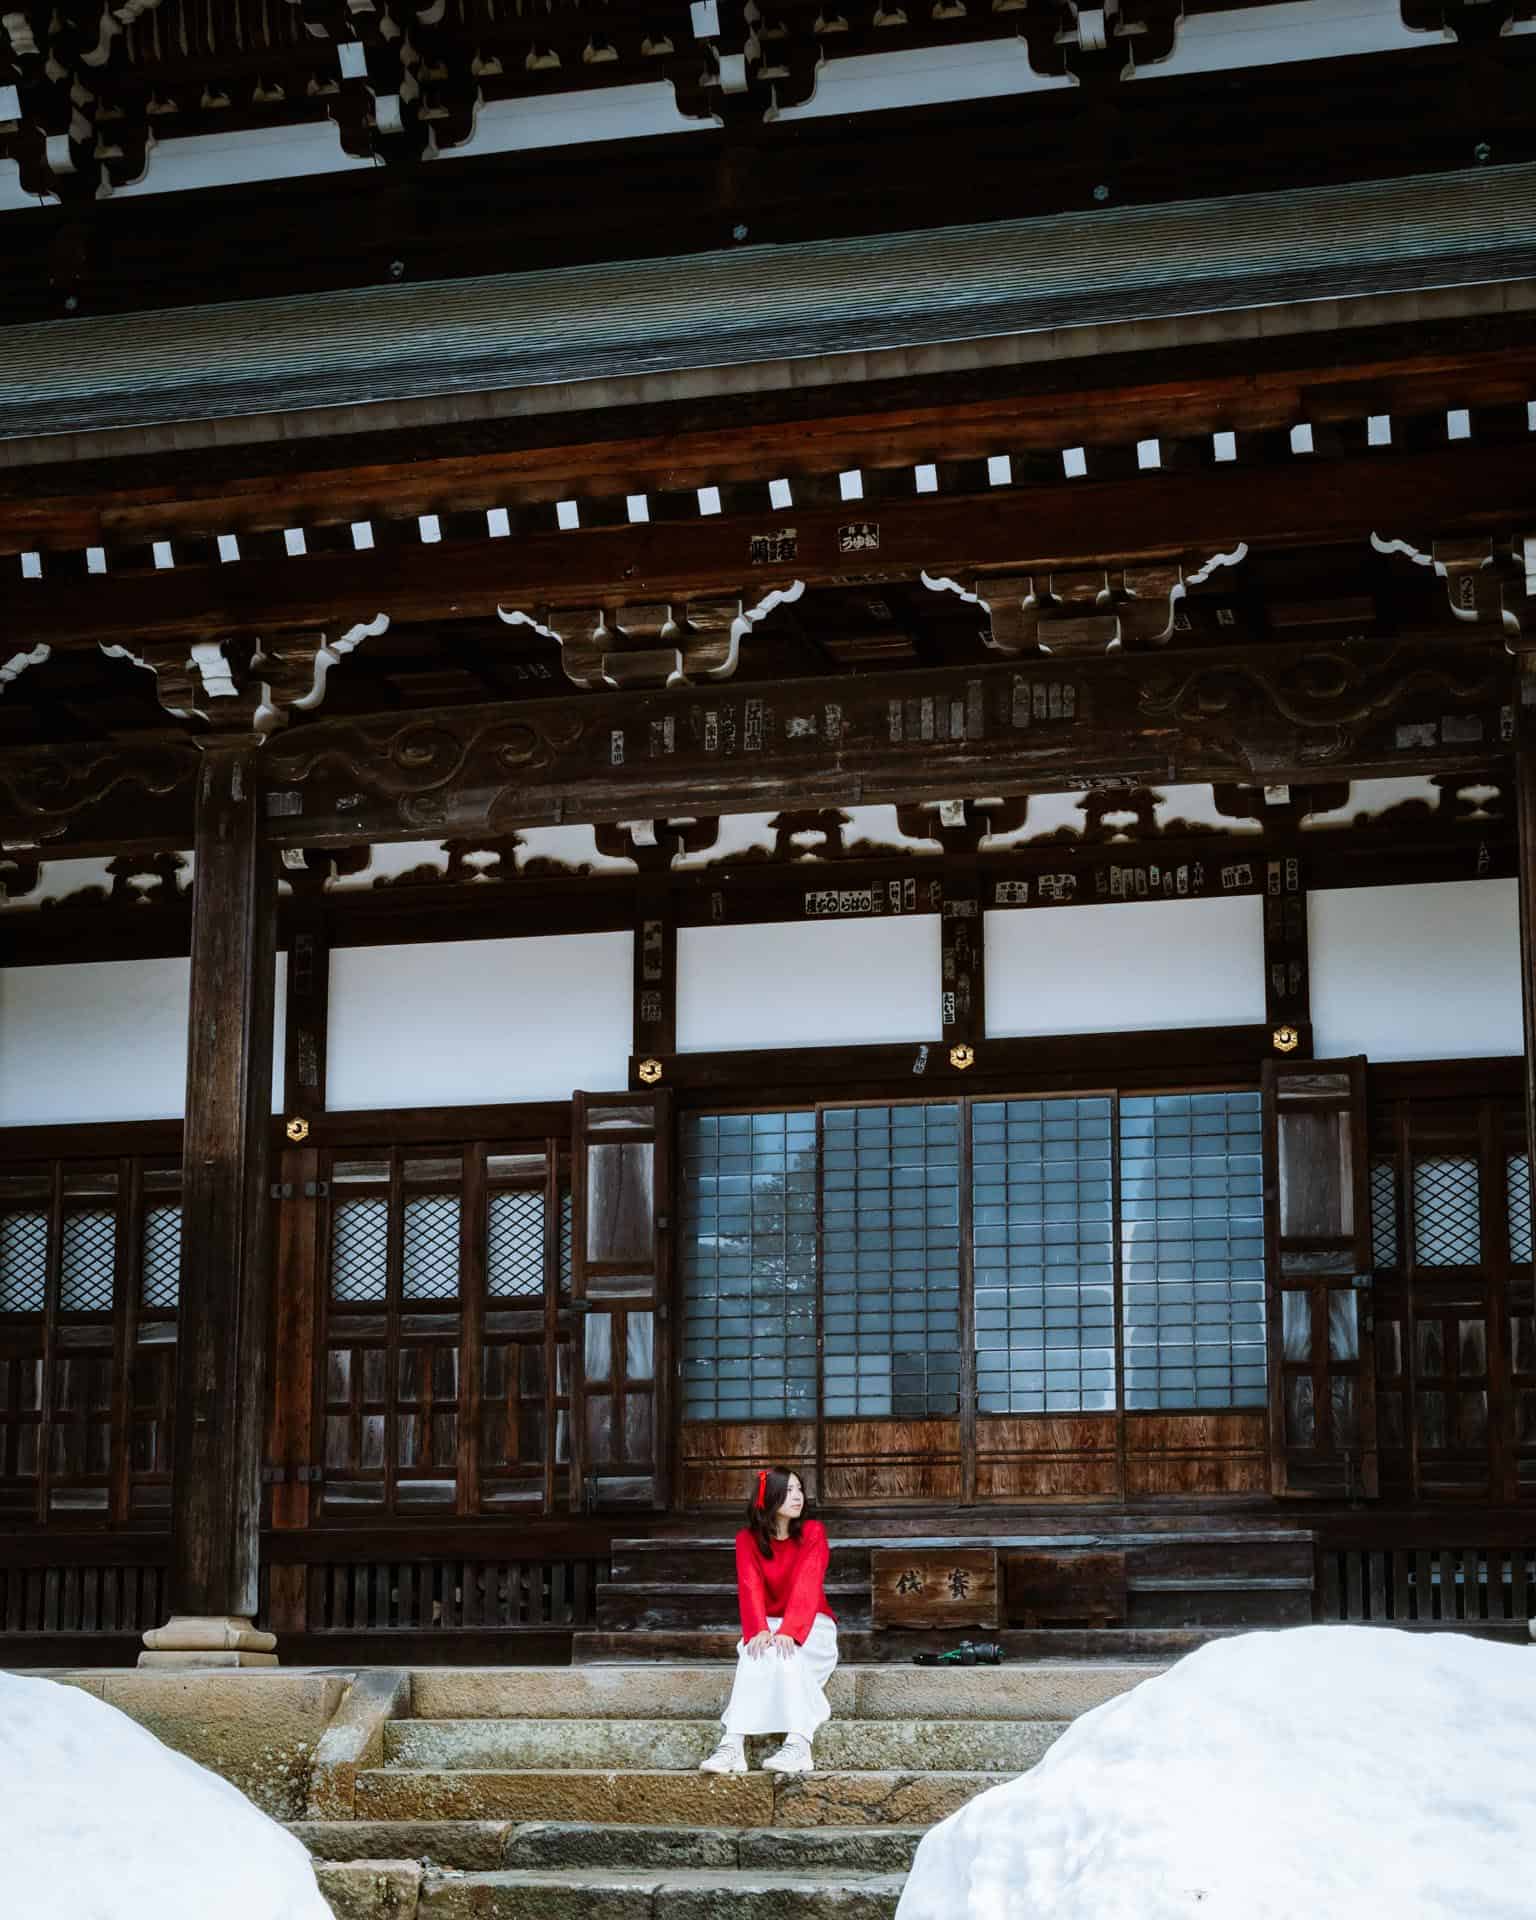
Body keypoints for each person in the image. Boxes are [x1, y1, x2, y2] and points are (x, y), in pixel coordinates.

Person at [698, 1466, 837, 1777]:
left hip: (812, 1625)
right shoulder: (746, 1540)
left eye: (799, 1489)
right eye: (788, 1490)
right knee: (755, 1651)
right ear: (769, 1496)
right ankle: (733, 1745)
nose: (798, 1496)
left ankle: (798, 1743)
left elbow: (808, 1582)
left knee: (786, 1653)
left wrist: (790, 1630)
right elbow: (750, 1586)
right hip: (770, 1625)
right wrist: (758, 1629)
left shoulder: (813, 1532)